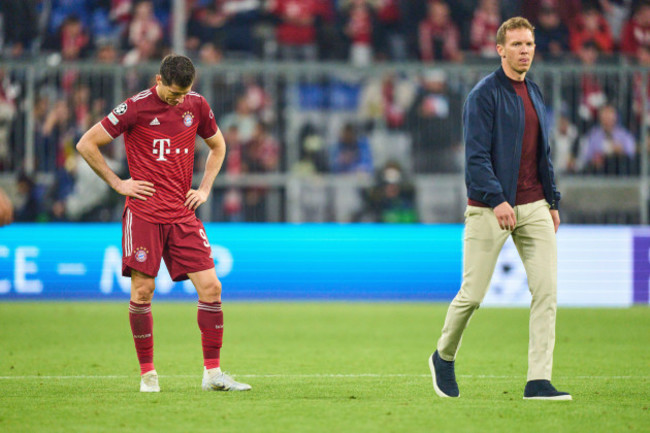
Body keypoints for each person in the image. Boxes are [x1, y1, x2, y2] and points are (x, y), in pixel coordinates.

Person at [76, 54, 251, 393]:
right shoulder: (135, 107)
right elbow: (86, 143)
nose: (178, 100)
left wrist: (204, 188)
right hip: (143, 214)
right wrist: (118, 183)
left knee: (212, 287)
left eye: (184, 93)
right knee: (143, 292)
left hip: (182, 213)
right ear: (158, 80)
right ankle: (148, 375)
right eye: (173, 93)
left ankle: (213, 374)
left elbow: (218, 146)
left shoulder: (197, 105)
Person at [428, 17, 571, 401]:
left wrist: (552, 200)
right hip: (490, 209)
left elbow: (543, 154)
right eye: (518, 44)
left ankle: (538, 380)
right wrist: (497, 199)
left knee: (546, 293)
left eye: (530, 44)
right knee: (472, 295)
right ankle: (443, 355)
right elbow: (475, 159)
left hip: (535, 205)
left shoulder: (535, 92)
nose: (525, 50)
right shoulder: (483, 95)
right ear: (500, 49)